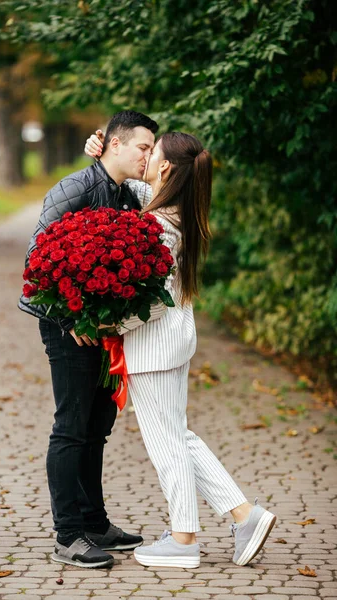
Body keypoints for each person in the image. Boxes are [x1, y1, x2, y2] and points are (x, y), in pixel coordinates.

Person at [85, 130, 277, 569]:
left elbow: (154, 302)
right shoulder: (175, 209)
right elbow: (133, 183)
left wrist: (112, 324)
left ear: (167, 167)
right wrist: (98, 151)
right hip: (173, 343)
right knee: (180, 437)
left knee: (166, 442)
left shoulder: (157, 225)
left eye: (151, 153)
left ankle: (184, 538)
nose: (145, 158)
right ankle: (244, 516)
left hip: (154, 346)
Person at [19, 110, 159, 568]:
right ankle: (68, 535)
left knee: (96, 428)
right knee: (71, 428)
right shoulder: (75, 189)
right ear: (113, 144)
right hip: (67, 329)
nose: (148, 156)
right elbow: (37, 261)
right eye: (142, 147)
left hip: (100, 330)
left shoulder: (126, 196)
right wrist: (72, 317)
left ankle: (95, 523)